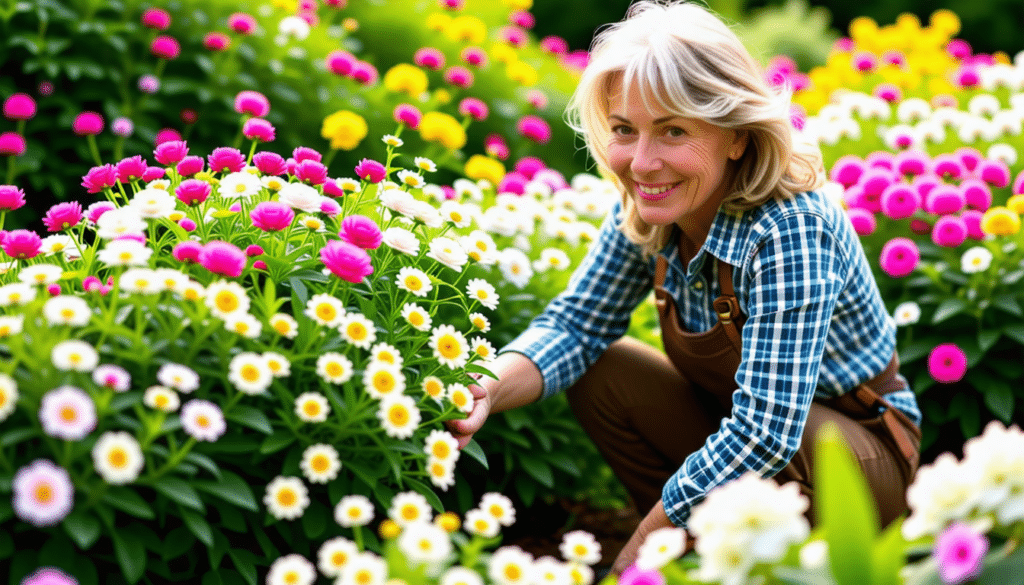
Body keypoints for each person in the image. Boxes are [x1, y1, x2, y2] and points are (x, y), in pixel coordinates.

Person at [446, 0, 922, 572]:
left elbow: (766, 434)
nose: (643, 163)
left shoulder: (791, 228)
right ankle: (700, 563)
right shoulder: (651, 205)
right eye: (624, 129)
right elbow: (577, 324)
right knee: (605, 368)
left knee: (792, 439)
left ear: (736, 136)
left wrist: (634, 560)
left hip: (852, 462)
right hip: (745, 440)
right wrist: (486, 387)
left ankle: (765, 564)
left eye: (673, 131)